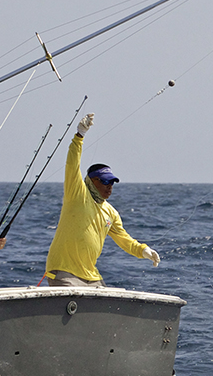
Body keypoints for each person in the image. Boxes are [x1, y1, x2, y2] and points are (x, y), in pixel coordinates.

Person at [44, 113, 160, 286]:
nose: (109, 186)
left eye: (112, 182)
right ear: (91, 181)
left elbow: (124, 240)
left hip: (91, 275)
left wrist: (143, 250)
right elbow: (72, 165)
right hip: (63, 271)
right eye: (105, 181)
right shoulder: (77, 194)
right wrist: (79, 136)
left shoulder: (111, 212)